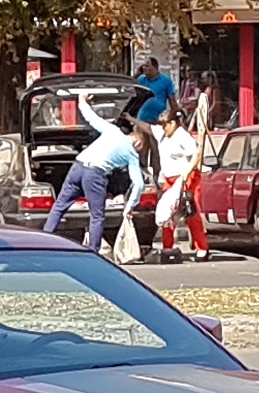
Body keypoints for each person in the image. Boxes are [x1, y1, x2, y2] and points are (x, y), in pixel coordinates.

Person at [44, 93, 147, 252]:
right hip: (94, 174)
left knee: (59, 206)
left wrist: (82, 101)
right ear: (138, 143)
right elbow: (139, 184)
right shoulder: (132, 154)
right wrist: (130, 206)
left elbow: (92, 118)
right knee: (97, 216)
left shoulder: (112, 130)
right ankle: (92, 250)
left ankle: (45, 240)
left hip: (77, 167)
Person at [153, 107, 209, 261]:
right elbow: (148, 128)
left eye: (165, 125)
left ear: (173, 123)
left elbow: (196, 155)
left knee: (190, 211)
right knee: (167, 213)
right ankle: (167, 247)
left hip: (185, 178)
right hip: (169, 179)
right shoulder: (162, 135)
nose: (163, 128)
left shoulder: (182, 136)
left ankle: (202, 248)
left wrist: (186, 173)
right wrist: (131, 119)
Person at [136, 57, 176, 123]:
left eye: (147, 66)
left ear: (155, 66)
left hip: (158, 119)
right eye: (143, 66)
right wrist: (137, 73)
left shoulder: (166, 80)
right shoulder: (141, 80)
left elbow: (173, 102)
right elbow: (128, 87)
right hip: (142, 119)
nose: (144, 68)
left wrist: (171, 116)